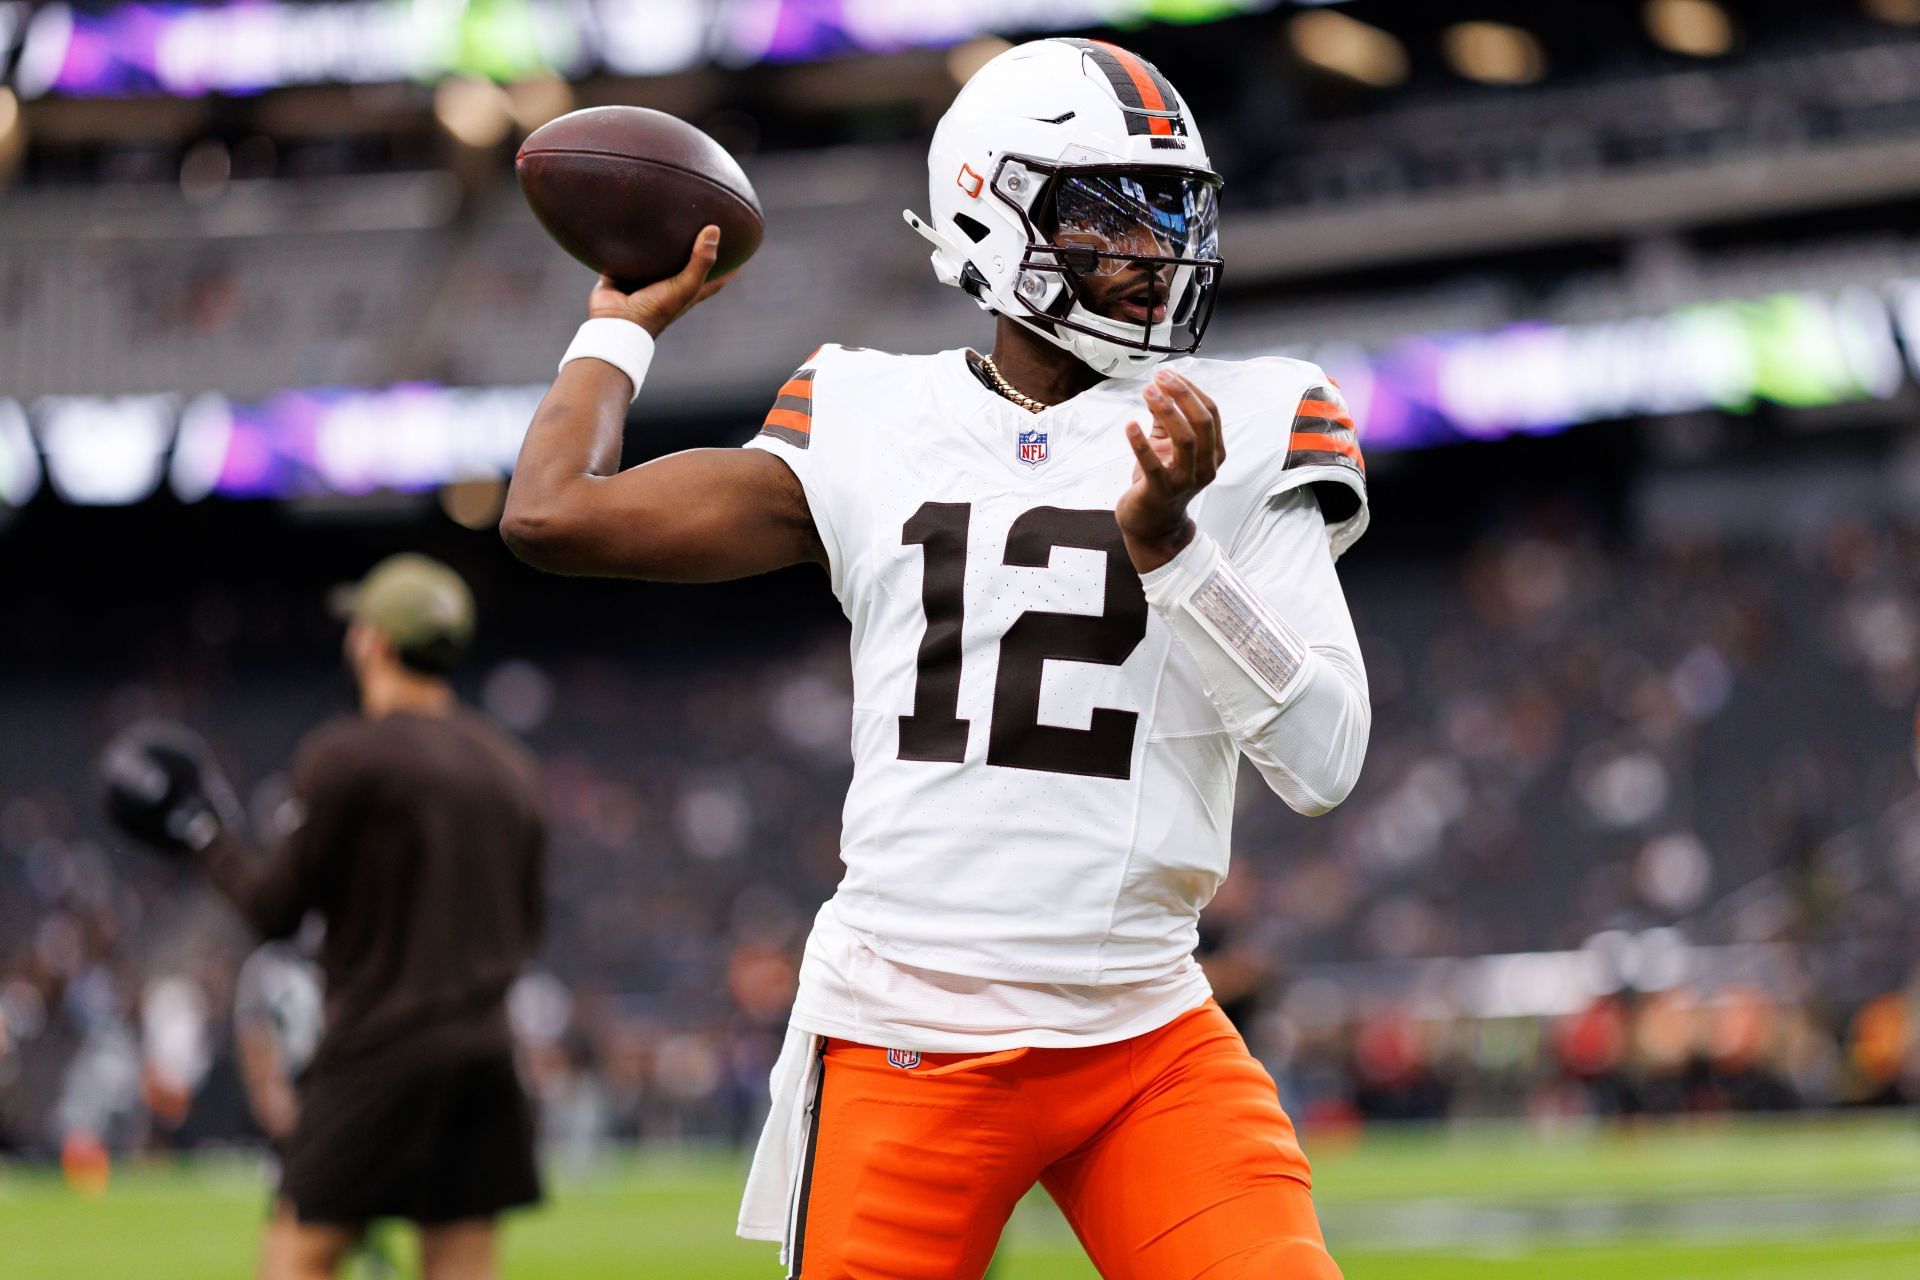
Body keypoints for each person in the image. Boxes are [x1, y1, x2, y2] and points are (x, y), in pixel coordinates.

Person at [503, 37, 1369, 1280]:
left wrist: (1177, 553)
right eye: (1111, 216)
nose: (1155, 251)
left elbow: (1325, 756)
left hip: (1145, 1029)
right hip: (907, 1027)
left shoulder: (1251, 416)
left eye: (1172, 210)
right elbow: (551, 513)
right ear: (992, 214)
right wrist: (618, 331)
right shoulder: (868, 412)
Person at [100, 554, 548, 1280]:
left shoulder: (347, 755)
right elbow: (528, 924)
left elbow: (272, 910)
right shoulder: (512, 770)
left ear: (372, 640)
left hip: (379, 1050)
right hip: (486, 1056)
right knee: (463, 1266)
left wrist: (200, 832)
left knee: (298, 1260)